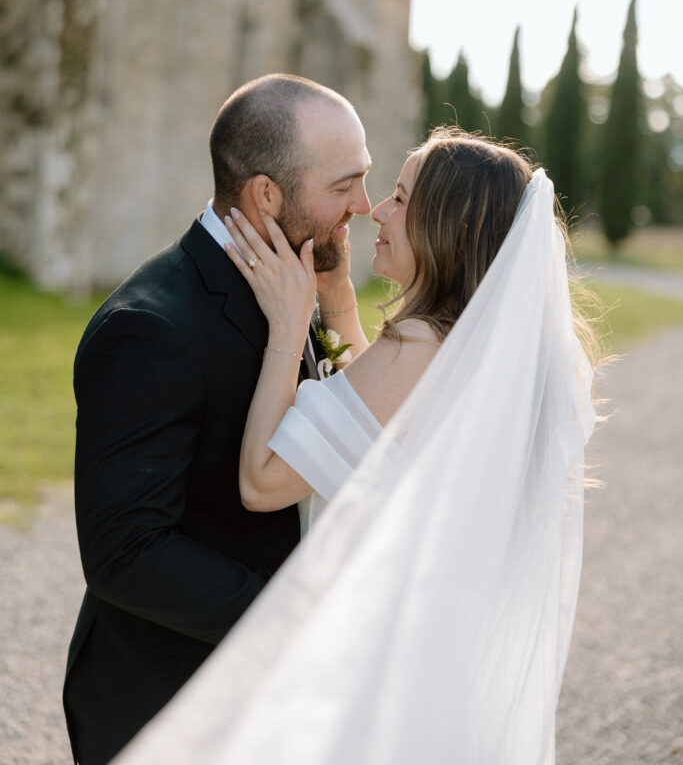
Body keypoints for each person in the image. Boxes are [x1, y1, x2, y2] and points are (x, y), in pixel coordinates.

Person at [113, 128, 597, 765]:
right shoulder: (466, 352)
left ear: (444, 228)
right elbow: (387, 431)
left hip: (379, 656)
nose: (375, 211)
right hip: (435, 655)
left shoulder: (421, 343)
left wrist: (290, 324)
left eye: (399, 198)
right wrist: (339, 298)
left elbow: (262, 481)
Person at [62, 74, 372, 765]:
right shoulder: (149, 329)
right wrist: (294, 615)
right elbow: (127, 551)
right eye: (344, 184)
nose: (364, 205)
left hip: (277, 699)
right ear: (266, 195)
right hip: (172, 700)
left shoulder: (299, 281)